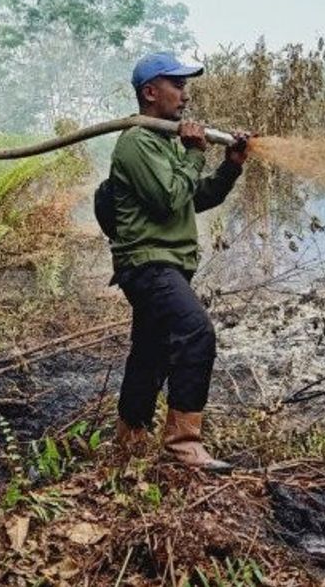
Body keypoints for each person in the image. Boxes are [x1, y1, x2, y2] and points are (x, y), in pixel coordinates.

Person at [107, 52, 250, 473]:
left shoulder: (162, 142)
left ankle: (129, 438)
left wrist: (230, 167)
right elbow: (171, 198)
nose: (185, 96)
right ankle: (183, 443)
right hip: (148, 263)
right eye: (178, 86)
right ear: (151, 92)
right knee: (196, 333)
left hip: (166, 263)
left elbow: (196, 197)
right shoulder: (136, 142)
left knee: (150, 352)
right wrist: (193, 153)